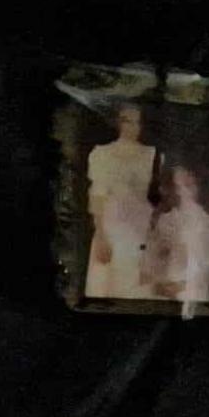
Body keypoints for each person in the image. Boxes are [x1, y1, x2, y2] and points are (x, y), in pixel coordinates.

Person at [84, 103, 160, 299]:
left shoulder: (151, 154)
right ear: (118, 123)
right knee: (109, 285)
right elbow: (97, 195)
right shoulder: (102, 153)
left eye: (137, 122)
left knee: (137, 286)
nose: (132, 127)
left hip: (140, 227)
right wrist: (101, 235)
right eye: (127, 121)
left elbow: (158, 197)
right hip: (111, 226)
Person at [141, 163, 209, 303]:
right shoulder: (165, 221)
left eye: (188, 182)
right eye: (178, 185)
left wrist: (184, 285)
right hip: (165, 295)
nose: (183, 189)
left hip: (194, 296)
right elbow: (149, 264)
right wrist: (161, 284)